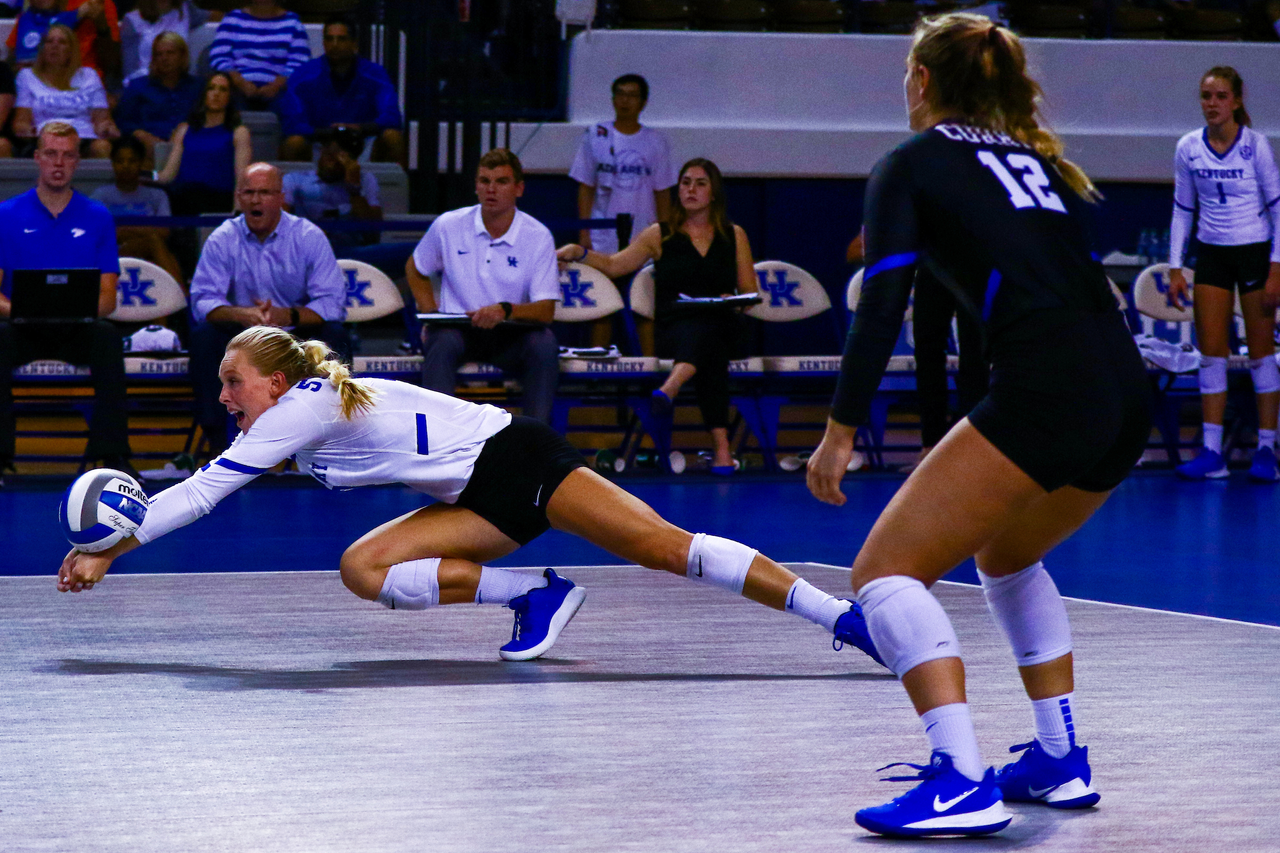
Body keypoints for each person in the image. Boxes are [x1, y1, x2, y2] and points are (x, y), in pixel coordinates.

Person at [56, 326, 883, 671]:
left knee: (668, 547)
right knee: (363, 567)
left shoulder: (299, 406)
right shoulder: (295, 415)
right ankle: (536, 594)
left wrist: (110, 549)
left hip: (516, 459)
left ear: (273, 381)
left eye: (233, 381)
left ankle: (841, 617)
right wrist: (109, 545)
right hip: (476, 493)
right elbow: (209, 485)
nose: (224, 396)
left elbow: (203, 493)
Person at [806, 13, 1151, 837]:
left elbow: (882, 306)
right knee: (1006, 553)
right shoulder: (1037, 163)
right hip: (1125, 387)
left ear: (923, 80)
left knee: (884, 571)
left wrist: (840, 429)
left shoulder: (911, 164)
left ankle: (959, 777)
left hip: (1048, 386)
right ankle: (1059, 755)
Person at [558, 158, 758, 473]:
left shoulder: (734, 235)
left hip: (725, 323)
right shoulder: (659, 234)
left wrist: (731, 300)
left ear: (714, 193)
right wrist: (578, 252)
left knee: (711, 329)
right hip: (676, 329)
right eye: (685, 183)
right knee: (708, 345)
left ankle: (671, 387)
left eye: (700, 183)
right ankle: (722, 450)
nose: (691, 189)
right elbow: (615, 265)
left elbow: (749, 293)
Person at [0, 121, 133, 479]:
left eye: (68, 155)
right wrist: (23, 311)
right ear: (37, 158)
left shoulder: (98, 216)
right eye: (51, 154)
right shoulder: (5, 215)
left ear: (77, 162)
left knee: (107, 336)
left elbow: (108, 299)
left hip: (78, 329)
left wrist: (74, 310)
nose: (58, 163)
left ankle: (113, 454)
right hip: (21, 328)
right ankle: (1, 455)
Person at [1167, 66, 1280, 482]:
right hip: (1212, 254)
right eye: (1206, 96)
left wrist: (1276, 268)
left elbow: (1278, 207)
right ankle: (1212, 452)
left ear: (1236, 101)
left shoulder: (1255, 145)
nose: (1212, 104)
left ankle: (1266, 450)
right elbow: (1183, 209)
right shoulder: (1188, 147)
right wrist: (1176, 266)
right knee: (1211, 353)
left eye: (1220, 96)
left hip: (1253, 253)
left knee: (1261, 353)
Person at [188, 162, 348, 456]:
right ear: (238, 197)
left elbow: (332, 302)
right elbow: (203, 300)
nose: (256, 200)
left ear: (281, 198)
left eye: (264, 193)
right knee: (204, 336)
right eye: (249, 193)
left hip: (295, 334)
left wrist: (287, 315)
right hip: (241, 334)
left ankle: (334, 439)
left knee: (334, 334)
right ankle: (218, 442)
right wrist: (242, 314)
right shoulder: (223, 238)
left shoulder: (308, 236)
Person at [406, 149, 561, 425]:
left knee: (544, 344)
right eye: (484, 181)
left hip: (511, 333)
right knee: (440, 342)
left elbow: (546, 311)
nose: (491, 189)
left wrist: (505, 310)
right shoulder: (449, 225)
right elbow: (415, 268)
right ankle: (438, 439)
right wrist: (431, 312)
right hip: (458, 330)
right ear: (476, 186)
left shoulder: (538, 236)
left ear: (519, 188)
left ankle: (536, 440)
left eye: (501, 181)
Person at [568, 73, 676, 255]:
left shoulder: (656, 141)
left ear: (643, 102)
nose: (625, 101)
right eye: (620, 94)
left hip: (644, 232)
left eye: (632, 95)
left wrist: (664, 234)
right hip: (602, 234)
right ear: (613, 99)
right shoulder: (596, 136)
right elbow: (586, 187)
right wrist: (584, 232)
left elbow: (662, 193)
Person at [280, 14, 405, 166]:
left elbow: (392, 117)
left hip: (362, 143)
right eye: (329, 39)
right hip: (319, 144)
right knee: (294, 143)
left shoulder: (375, 74)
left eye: (341, 39)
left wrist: (360, 128)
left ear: (354, 43)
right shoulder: (303, 75)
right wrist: (330, 132)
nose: (334, 45)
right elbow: (291, 123)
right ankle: (296, 182)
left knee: (392, 137)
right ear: (323, 43)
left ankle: (389, 182)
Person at [207, 0, 310, 153]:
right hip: (237, 86)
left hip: (280, 88)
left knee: (294, 108)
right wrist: (240, 82)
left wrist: (277, 85)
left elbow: (300, 60)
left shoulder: (293, 22)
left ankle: (288, 157)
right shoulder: (233, 19)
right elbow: (218, 55)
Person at [12, 24, 117, 158]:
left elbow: (102, 118)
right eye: (49, 41)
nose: (54, 46)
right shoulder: (27, 76)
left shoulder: (89, 75)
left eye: (62, 42)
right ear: (42, 48)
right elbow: (21, 121)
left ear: (71, 50)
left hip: (83, 137)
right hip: (44, 138)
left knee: (102, 147)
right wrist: (27, 131)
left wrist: (106, 127)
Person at [91, 135, 183, 287]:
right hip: (113, 254)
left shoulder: (158, 195)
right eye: (120, 161)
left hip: (149, 250)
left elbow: (164, 232)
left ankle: (178, 294)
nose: (126, 166)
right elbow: (99, 235)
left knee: (161, 248)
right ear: (113, 163)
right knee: (154, 241)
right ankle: (182, 294)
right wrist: (145, 230)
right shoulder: (100, 195)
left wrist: (124, 230)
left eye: (132, 161)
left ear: (141, 163)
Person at [154, 71, 251, 215]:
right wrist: (143, 175)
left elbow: (241, 179)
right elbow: (167, 175)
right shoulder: (185, 130)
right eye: (211, 88)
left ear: (230, 96)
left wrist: (237, 213)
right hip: (183, 198)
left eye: (223, 89)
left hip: (217, 199)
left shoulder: (239, 133)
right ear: (204, 94)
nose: (216, 94)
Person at [282, 126, 381, 253]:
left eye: (341, 155)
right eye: (328, 152)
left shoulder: (365, 180)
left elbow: (374, 233)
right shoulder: (295, 180)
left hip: (353, 251)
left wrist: (354, 189)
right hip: (307, 249)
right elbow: (279, 222)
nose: (332, 159)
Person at [114, 31, 204, 164]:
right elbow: (123, 122)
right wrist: (141, 135)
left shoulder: (198, 86)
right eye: (159, 54)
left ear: (182, 56)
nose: (164, 58)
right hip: (148, 149)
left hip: (190, 146)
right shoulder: (138, 86)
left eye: (170, 53)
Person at [6, 0, 118, 81]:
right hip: (37, 84)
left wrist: (102, 26)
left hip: (84, 84)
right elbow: (14, 57)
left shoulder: (97, 4)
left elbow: (112, 65)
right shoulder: (36, 7)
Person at [118, 0, 209, 84]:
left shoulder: (186, 9)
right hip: (146, 82)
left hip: (181, 81)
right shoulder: (132, 20)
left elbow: (210, 17)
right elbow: (130, 71)